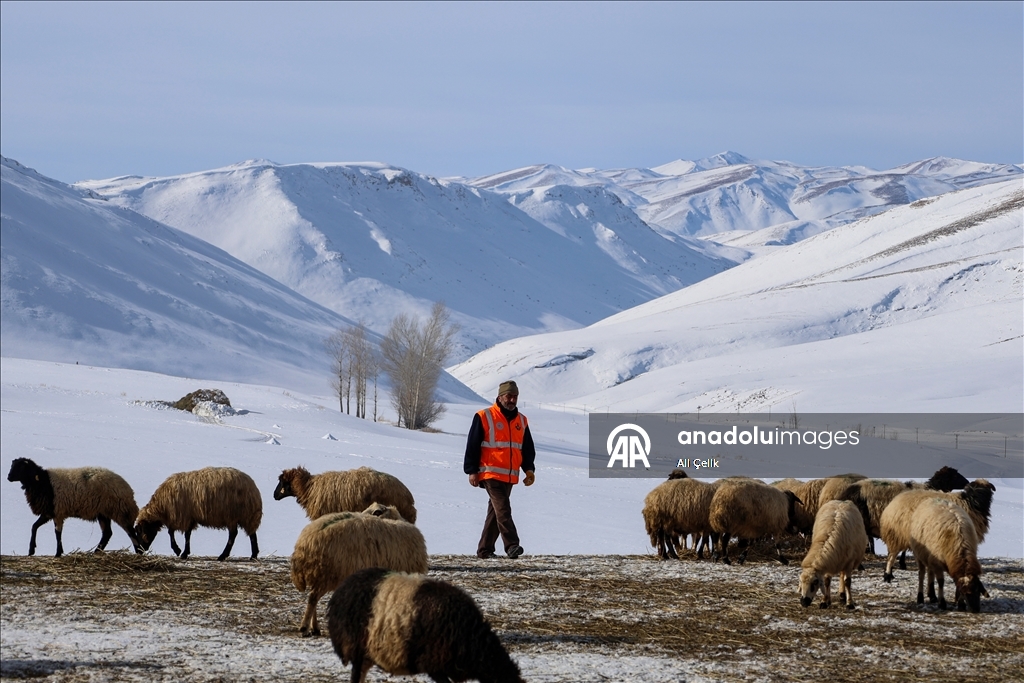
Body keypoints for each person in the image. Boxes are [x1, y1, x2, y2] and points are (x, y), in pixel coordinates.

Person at [464, 380, 536, 559]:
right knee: (503, 508)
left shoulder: (522, 420)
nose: (512, 400)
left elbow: (527, 448)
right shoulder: (484, 416)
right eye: (508, 396)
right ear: (500, 396)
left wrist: (529, 469)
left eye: (515, 397)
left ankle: (485, 550)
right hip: (489, 472)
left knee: (495, 512)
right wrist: (472, 470)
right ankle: (512, 545)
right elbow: (472, 445)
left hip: (510, 475)